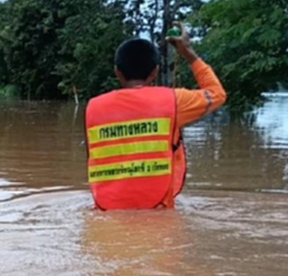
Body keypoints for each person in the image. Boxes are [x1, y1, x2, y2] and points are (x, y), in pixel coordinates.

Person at [85, 22, 226, 210]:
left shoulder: (93, 107)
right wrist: (188, 53)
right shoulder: (174, 101)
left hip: (105, 213)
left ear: (117, 72)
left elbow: (92, 156)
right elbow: (217, 94)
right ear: (155, 72)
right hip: (158, 212)